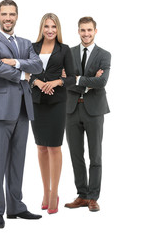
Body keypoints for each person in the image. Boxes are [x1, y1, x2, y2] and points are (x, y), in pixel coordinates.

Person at [0, 0, 43, 229]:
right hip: (0, 110)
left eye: (12, 14)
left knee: (17, 162)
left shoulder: (26, 43)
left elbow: (38, 66)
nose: (8, 18)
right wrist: (23, 74)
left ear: (17, 16)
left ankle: (16, 207)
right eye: (4, 14)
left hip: (23, 109)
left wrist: (16, 61)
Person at [29, 13, 76, 214]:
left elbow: (72, 77)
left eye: (53, 27)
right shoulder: (31, 48)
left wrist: (56, 82)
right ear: (42, 28)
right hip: (36, 101)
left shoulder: (64, 50)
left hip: (57, 102)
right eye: (47, 26)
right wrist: (38, 82)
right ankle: (46, 192)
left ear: (58, 29)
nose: (50, 30)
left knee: (54, 147)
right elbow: (25, 73)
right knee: (40, 147)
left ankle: (55, 192)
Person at [64, 16, 111, 212]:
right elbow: (63, 81)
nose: (86, 34)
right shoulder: (69, 52)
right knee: (76, 155)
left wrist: (76, 79)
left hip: (94, 111)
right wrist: (87, 82)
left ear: (95, 31)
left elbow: (102, 82)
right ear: (78, 31)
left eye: (89, 30)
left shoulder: (104, 55)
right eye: (83, 30)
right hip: (71, 109)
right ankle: (82, 195)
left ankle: (93, 197)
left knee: (95, 156)